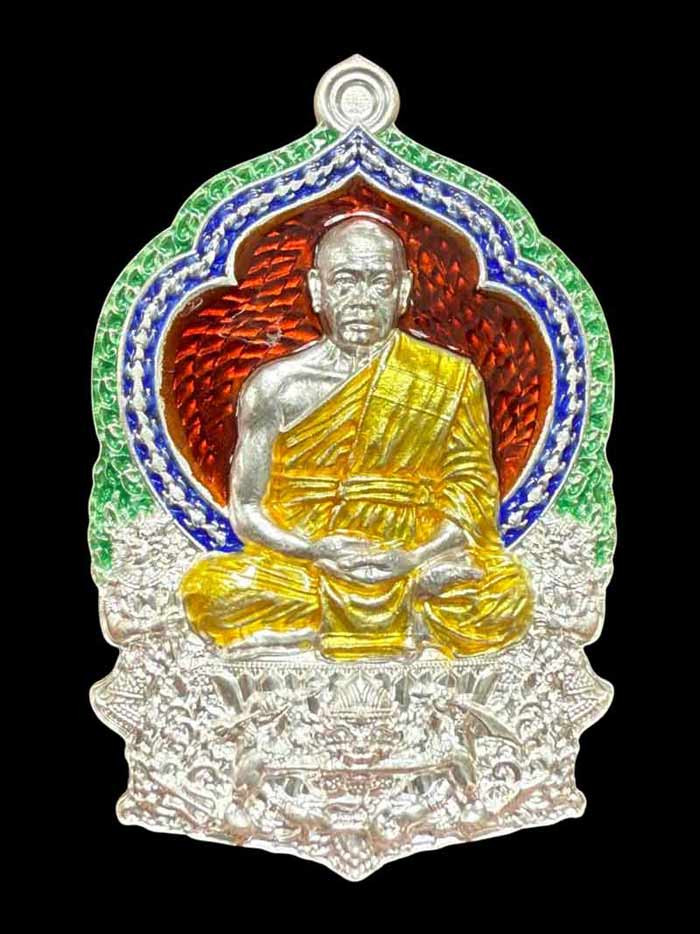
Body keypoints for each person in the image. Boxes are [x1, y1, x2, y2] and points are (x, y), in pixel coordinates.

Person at [180, 215, 533, 659]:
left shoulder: (452, 377)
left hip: (414, 560)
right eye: (345, 281)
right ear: (317, 289)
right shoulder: (276, 386)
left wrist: (414, 557)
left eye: (379, 283)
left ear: (402, 291)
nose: (362, 300)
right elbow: (247, 509)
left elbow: (472, 498)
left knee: (507, 595)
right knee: (209, 590)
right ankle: (402, 614)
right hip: (308, 565)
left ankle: (342, 618)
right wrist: (313, 550)